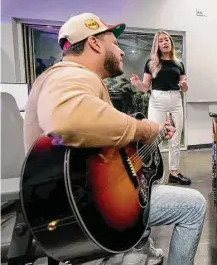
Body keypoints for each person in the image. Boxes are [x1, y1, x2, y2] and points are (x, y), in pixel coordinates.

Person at [23, 13, 206, 265]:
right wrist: (145, 129)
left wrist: (150, 132)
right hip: (91, 206)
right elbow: (67, 120)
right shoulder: (71, 74)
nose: (121, 52)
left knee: (149, 181)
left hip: (74, 200)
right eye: (115, 44)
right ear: (95, 44)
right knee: (194, 205)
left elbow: (99, 132)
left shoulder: (66, 78)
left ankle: (139, 244)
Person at [130, 31, 191, 186]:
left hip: (176, 100)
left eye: (167, 40)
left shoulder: (179, 64)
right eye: (161, 41)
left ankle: (174, 173)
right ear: (157, 45)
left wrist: (184, 85)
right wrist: (138, 83)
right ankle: (150, 173)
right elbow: (145, 88)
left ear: (170, 42)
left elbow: (185, 87)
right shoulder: (151, 63)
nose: (164, 43)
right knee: (153, 137)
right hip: (157, 101)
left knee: (175, 139)